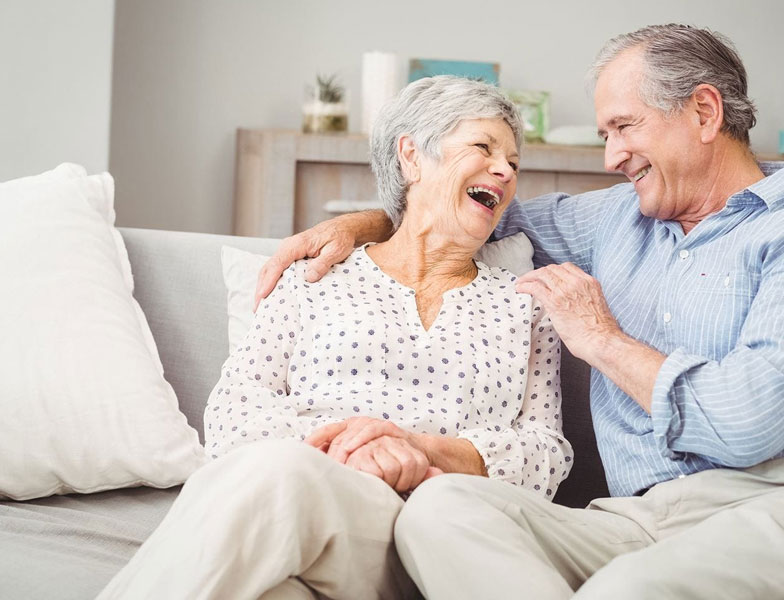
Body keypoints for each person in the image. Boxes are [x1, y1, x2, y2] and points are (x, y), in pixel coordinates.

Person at [255, 24, 784, 599]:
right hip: (640, 521)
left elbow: (744, 425)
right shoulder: (618, 218)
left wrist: (601, 340)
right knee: (441, 510)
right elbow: (471, 212)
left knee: (627, 591)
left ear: (705, 112)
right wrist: (366, 224)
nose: (611, 157)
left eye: (624, 127)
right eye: (606, 135)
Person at [97, 75, 572, 600]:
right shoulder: (315, 277)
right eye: (483, 147)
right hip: (300, 511)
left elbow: (544, 454)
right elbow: (233, 414)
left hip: (434, 534)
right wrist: (353, 451)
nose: (504, 170)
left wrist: (419, 450)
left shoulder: (526, 304)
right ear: (412, 158)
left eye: (513, 161)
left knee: (281, 479)